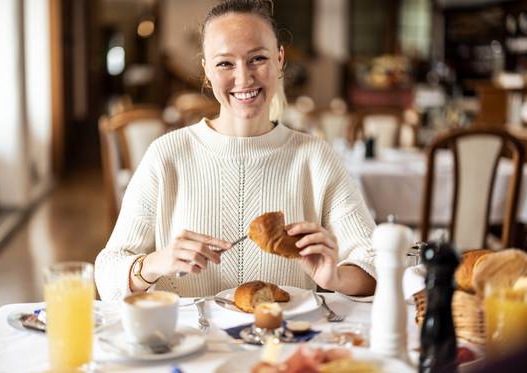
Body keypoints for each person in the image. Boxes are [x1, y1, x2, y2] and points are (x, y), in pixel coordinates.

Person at [95, 0, 377, 301]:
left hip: (281, 343)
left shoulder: (315, 157)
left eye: (257, 58)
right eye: (225, 63)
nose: (244, 78)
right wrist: (154, 263)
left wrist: (335, 277)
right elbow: (107, 273)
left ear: (280, 59)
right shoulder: (166, 155)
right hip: (191, 343)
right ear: (206, 70)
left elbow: (375, 261)